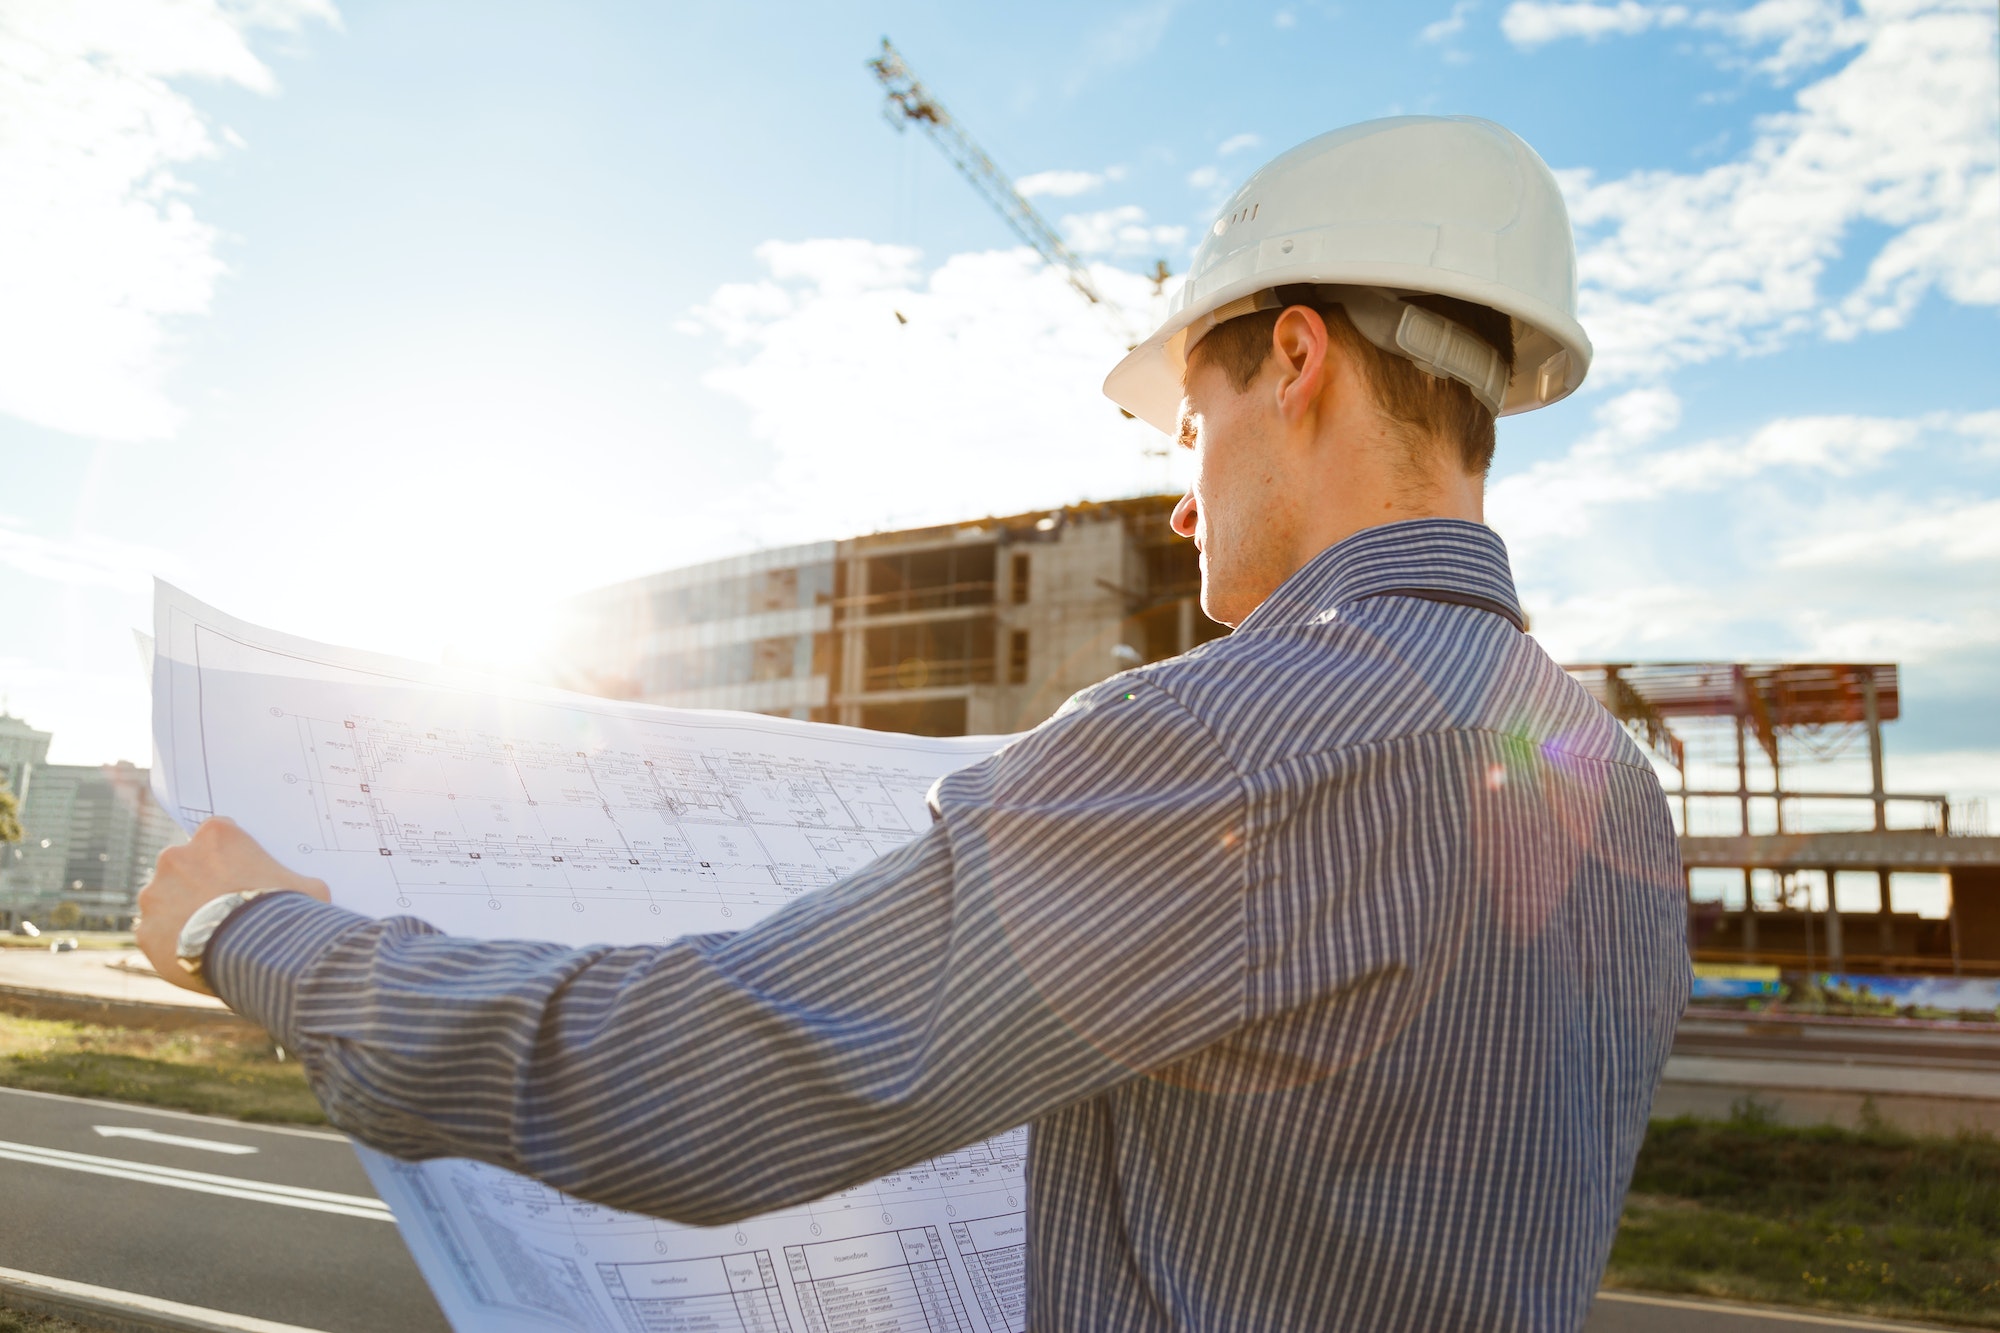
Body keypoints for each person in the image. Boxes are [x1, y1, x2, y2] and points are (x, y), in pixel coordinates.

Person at [139, 117, 1689, 1331]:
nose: (1177, 490)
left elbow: (694, 1083)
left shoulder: (1232, 741)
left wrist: (254, 932)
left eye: (1189, 421)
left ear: (1294, 360)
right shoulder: (1601, 778)